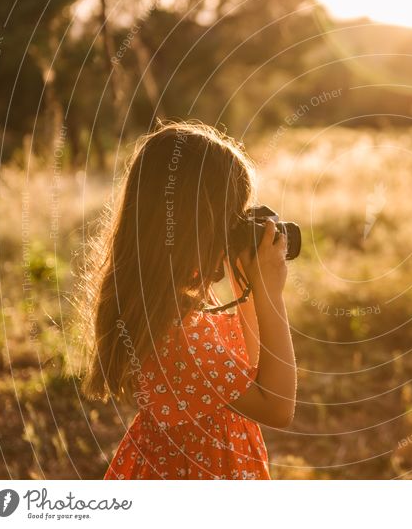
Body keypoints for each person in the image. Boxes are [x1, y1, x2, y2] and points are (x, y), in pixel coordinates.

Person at [81, 121, 296, 479]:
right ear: (199, 225)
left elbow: (250, 367)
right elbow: (277, 407)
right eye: (233, 219)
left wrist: (249, 285)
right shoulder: (178, 331)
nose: (237, 232)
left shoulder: (171, 304)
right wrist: (271, 295)